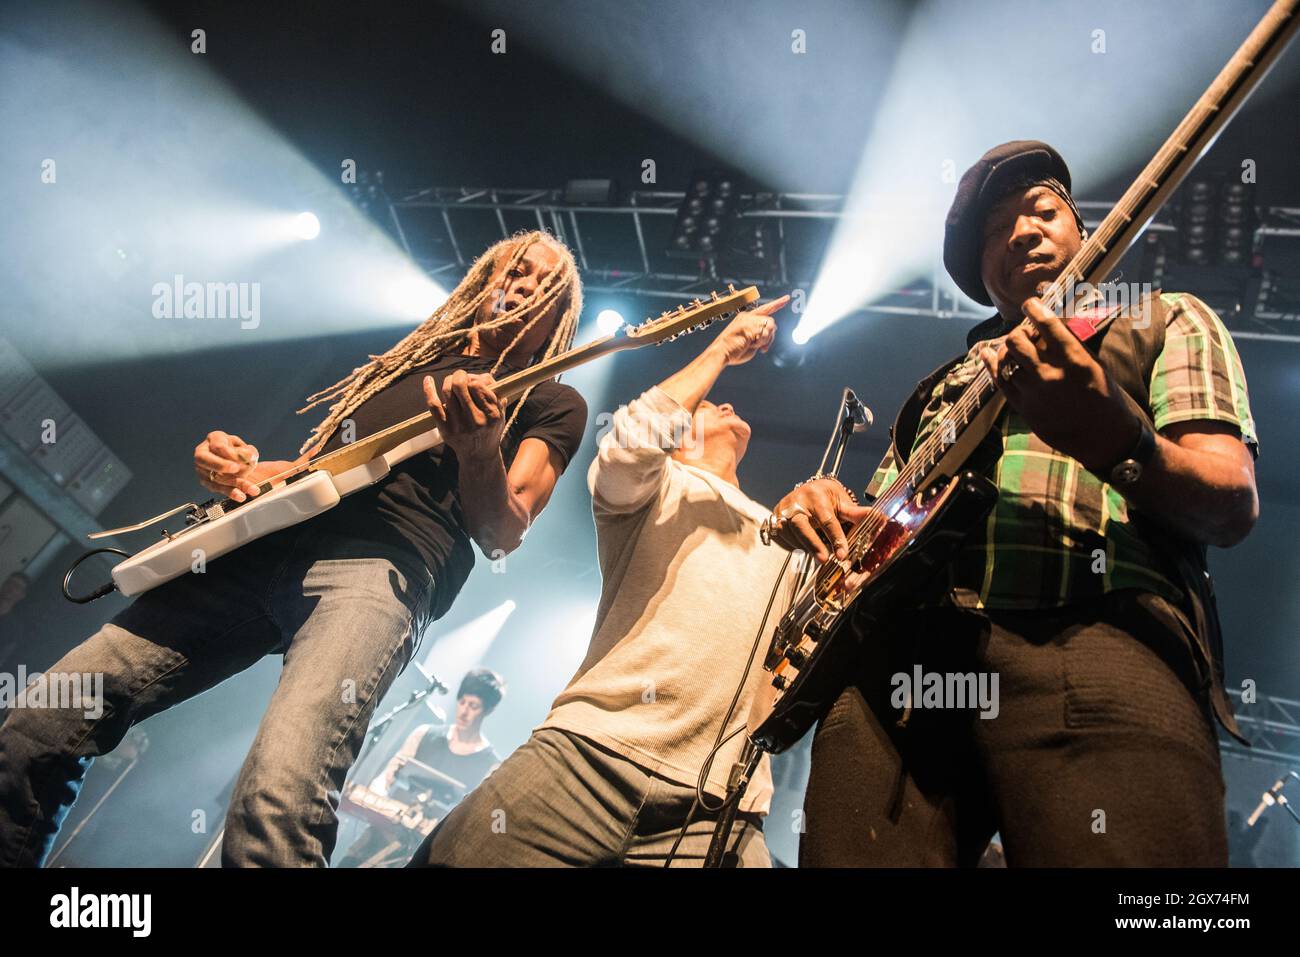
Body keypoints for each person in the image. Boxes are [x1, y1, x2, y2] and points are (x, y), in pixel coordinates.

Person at [0, 231, 588, 867]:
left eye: (545, 286)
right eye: (515, 271)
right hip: (262, 548)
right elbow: (312, 473)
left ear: (558, 320)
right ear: (482, 281)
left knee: (278, 797)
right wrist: (240, 469)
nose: (525, 287)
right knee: (45, 719)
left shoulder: (550, 399)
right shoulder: (404, 364)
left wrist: (478, 451)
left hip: (380, 571)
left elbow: (504, 531)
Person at [765, 141, 1259, 867]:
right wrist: (833, 509)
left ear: (1082, 228)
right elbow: (880, 531)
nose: (1022, 233)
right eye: (996, 230)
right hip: (902, 678)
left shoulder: (1166, 317)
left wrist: (1114, 437)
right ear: (982, 274)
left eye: (1042, 212)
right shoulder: (939, 389)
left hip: (1101, 635)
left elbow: (1230, 501)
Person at [408, 294, 792, 867]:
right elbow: (635, 439)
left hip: (720, 805)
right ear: (678, 435)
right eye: (709, 406)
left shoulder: (785, 532)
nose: (727, 404)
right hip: (590, 753)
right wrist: (720, 349)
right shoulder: (652, 488)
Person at [336, 668, 504, 867]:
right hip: (380, 836)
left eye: (473, 706)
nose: (464, 711)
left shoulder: (490, 765)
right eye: (462, 702)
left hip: (428, 853)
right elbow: (385, 778)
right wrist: (376, 799)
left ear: (487, 710)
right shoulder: (424, 734)